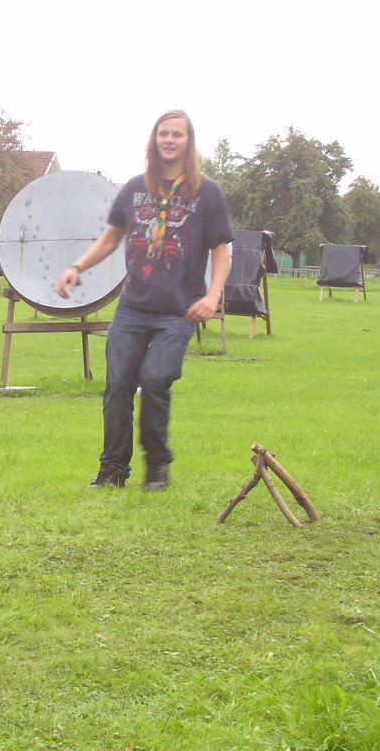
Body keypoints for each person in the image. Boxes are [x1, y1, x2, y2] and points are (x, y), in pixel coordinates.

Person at [57, 109, 233, 491]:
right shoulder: (136, 187)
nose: (169, 140)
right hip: (133, 308)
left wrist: (213, 295)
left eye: (177, 134)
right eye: (163, 133)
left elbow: (221, 250)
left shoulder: (207, 192)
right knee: (117, 386)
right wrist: (77, 266)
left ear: (188, 141)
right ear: (155, 139)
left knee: (155, 380)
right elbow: (111, 238)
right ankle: (112, 470)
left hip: (178, 311)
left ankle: (156, 464)